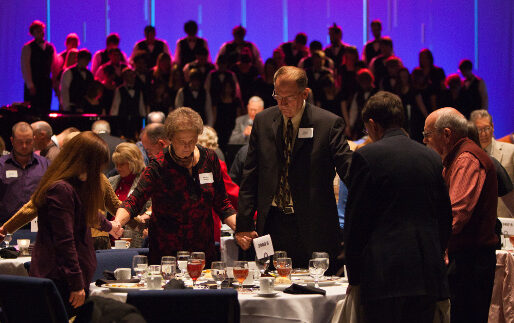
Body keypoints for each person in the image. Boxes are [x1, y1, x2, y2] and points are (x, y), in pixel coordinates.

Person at [344, 91, 452, 323]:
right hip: (426, 274)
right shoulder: (431, 158)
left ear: (372, 125)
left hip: (384, 276)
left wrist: (354, 277)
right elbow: (444, 217)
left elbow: (357, 222)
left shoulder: (366, 156)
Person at [235, 66, 352, 272]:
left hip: (313, 224)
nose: (282, 103)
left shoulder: (328, 123)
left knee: (316, 290)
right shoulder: (262, 121)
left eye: (288, 98)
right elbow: (250, 176)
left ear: (304, 93)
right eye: (277, 96)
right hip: (272, 223)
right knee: (270, 284)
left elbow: (349, 171)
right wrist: (244, 224)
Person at [114, 107, 237, 265]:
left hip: (202, 254)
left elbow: (223, 203)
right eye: (182, 142)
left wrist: (241, 228)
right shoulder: (159, 164)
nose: (187, 146)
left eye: (192, 141)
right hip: (166, 257)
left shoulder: (209, 159)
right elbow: (134, 200)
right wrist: (117, 223)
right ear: (170, 138)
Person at [28, 131, 121, 316]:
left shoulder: (73, 185)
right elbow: (64, 241)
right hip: (61, 280)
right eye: (97, 167)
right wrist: (76, 283)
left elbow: (86, 211)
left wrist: (109, 227)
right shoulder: (60, 189)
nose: (99, 173)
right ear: (84, 162)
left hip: (68, 278)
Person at [423, 107, 498, 323]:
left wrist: (428, 240)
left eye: (428, 135)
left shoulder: (467, 159)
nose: (425, 141)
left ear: (446, 134)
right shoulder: (455, 158)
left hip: (470, 261)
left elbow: (455, 215)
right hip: (465, 258)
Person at [0, 122, 50, 225]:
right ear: (12, 141)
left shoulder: (46, 165)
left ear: (34, 139)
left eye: (28, 142)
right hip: (6, 227)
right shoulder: (1, 165)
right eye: (20, 142)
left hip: (38, 226)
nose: (24, 146)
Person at [197, 126, 239, 243]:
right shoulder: (217, 164)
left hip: (203, 225)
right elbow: (232, 193)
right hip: (207, 225)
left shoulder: (215, 164)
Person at [471, 109, 514, 218]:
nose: (484, 133)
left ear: (493, 127)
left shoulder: (511, 151)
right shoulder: (468, 157)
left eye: (487, 128)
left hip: (507, 219)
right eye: (479, 130)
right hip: (480, 223)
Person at [109, 143, 149, 248]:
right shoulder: (111, 181)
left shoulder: (146, 182)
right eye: (116, 164)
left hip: (135, 243)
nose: (117, 168)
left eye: (121, 164)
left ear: (133, 162)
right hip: (109, 243)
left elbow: (149, 211)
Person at [21, 20, 58, 117]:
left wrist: (54, 83)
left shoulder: (50, 47)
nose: (41, 33)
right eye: (37, 31)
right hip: (34, 83)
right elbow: (25, 67)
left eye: (42, 31)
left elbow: (54, 65)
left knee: (45, 109)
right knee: (33, 110)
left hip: (45, 83)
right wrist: (30, 85)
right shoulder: (28, 47)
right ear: (32, 33)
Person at [110, 68, 147, 141]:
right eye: (128, 75)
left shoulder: (138, 90)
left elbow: (141, 107)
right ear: (124, 77)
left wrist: (143, 121)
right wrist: (114, 120)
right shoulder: (120, 90)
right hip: (123, 120)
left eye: (132, 75)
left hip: (135, 119)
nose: (131, 77)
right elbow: (115, 106)